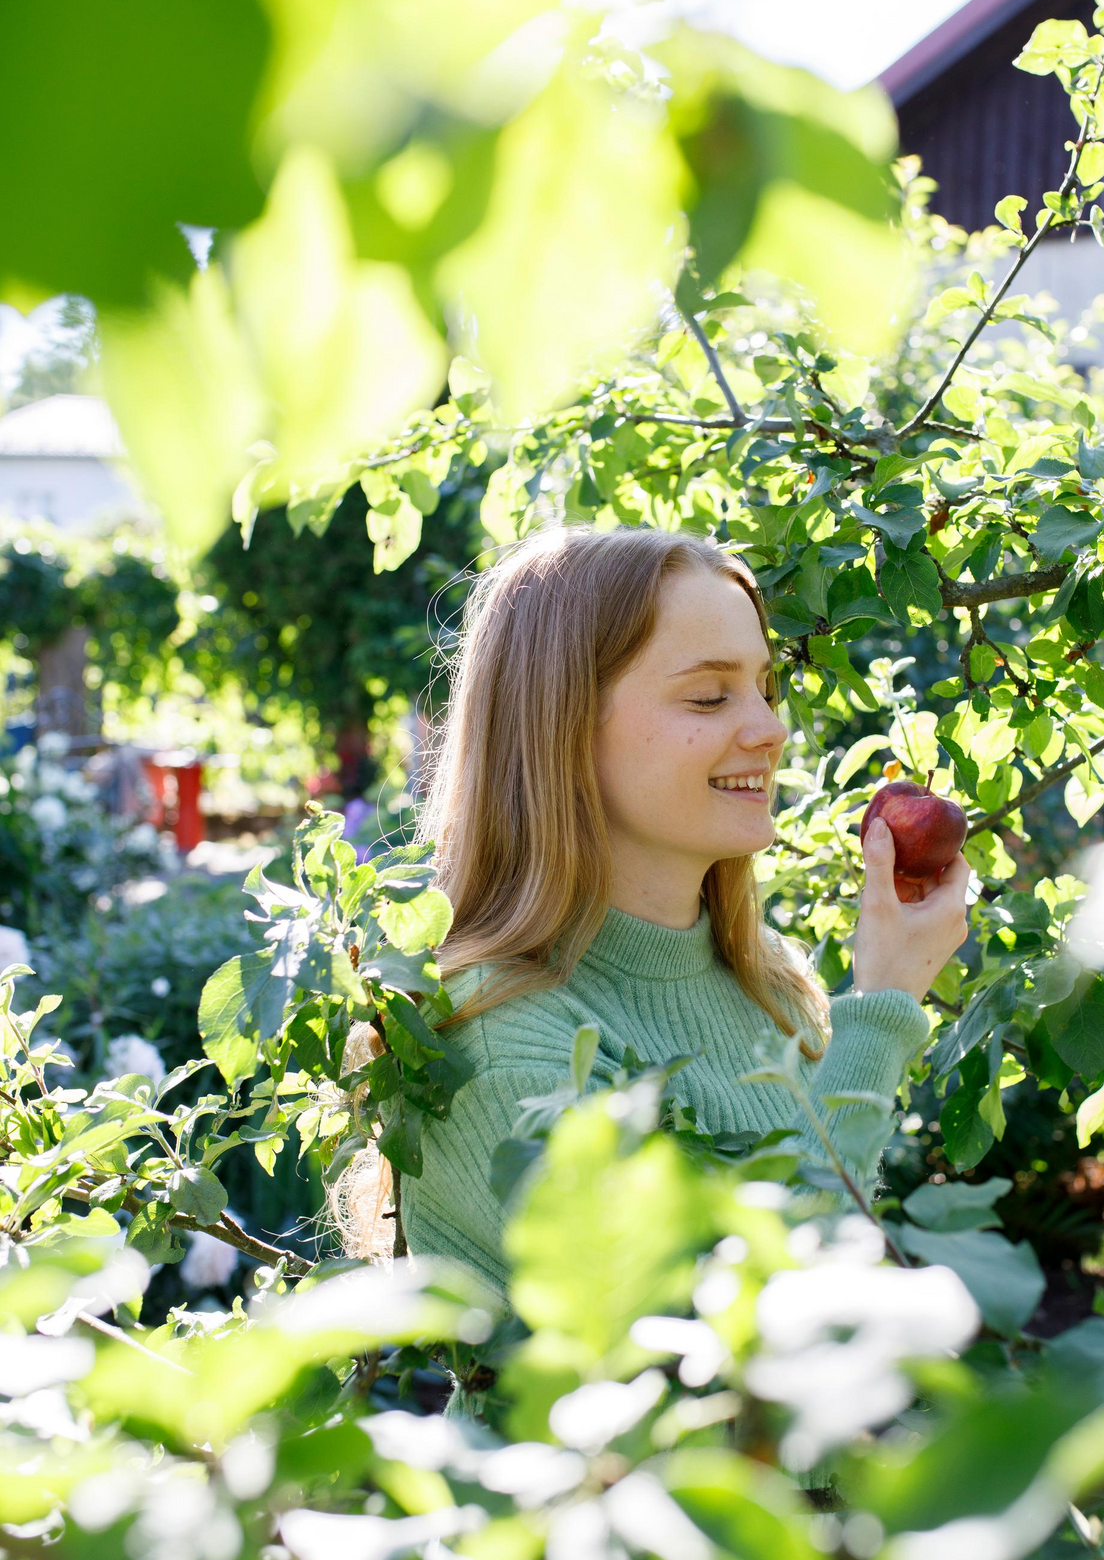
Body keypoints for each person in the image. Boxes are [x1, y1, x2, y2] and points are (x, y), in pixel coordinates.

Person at [339, 526, 970, 1290]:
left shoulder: (767, 988)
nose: (770, 730)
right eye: (708, 696)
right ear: (561, 726)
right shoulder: (498, 1051)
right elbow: (732, 1353)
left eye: (764, 688)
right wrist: (882, 1007)